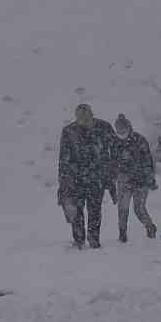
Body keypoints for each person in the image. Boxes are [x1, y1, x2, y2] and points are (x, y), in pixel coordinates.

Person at [58, 103, 117, 249]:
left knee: (95, 210)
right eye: (81, 118)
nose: (84, 120)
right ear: (76, 118)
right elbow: (64, 159)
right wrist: (64, 182)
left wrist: (111, 175)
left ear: (92, 114)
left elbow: (115, 152)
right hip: (76, 179)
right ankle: (79, 240)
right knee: (77, 211)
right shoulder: (69, 131)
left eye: (86, 117)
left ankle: (93, 239)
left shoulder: (104, 127)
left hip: (97, 179)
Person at [110, 113, 158, 242]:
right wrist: (112, 177)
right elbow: (112, 162)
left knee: (139, 208)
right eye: (118, 130)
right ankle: (122, 234)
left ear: (129, 128)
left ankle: (150, 227)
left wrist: (150, 178)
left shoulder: (140, 140)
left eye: (123, 130)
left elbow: (148, 161)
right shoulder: (114, 142)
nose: (121, 133)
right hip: (123, 180)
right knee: (122, 208)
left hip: (141, 180)